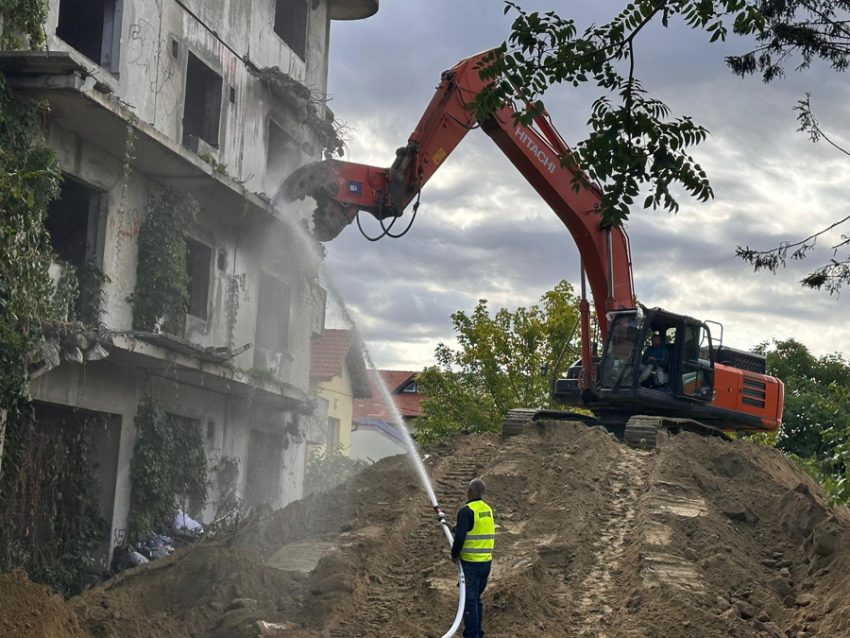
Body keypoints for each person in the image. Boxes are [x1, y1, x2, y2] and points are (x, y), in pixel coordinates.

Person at [451, 477, 494, 638]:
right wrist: (454, 528)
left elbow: (461, 538)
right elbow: (475, 529)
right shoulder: (487, 510)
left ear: (469, 492)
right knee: (476, 599)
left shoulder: (465, 511)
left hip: (471, 564)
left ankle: (472, 635)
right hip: (486, 563)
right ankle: (478, 633)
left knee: (469, 601)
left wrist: (454, 555)